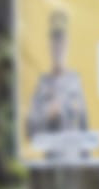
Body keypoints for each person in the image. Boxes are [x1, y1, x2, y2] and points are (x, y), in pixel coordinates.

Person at [24, 11, 89, 141]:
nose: (58, 47)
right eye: (55, 42)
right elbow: (29, 130)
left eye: (62, 41)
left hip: (74, 156)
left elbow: (85, 126)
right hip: (51, 158)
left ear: (68, 44)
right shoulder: (43, 84)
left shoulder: (75, 82)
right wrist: (48, 114)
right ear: (49, 45)